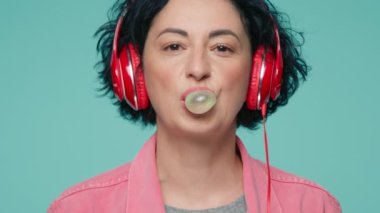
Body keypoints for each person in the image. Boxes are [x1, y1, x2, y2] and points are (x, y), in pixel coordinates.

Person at [48, 0, 341, 212]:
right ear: (134, 71)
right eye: (174, 46)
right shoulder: (76, 208)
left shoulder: (314, 206)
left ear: (260, 73)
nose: (198, 69)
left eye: (222, 48)